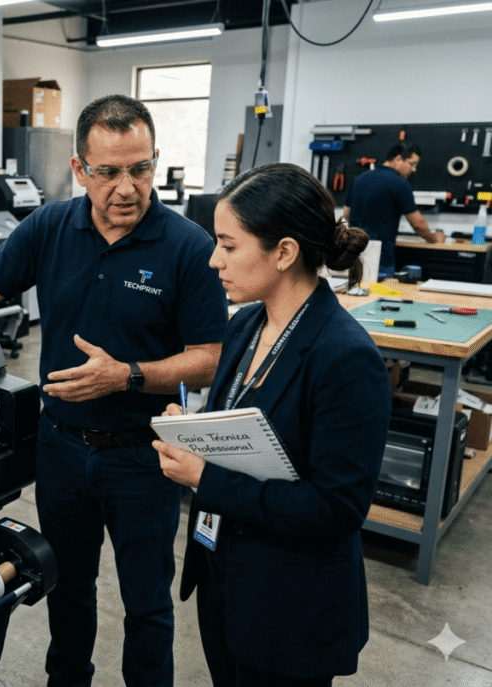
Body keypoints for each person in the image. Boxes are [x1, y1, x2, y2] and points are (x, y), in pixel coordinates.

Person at [0, 94, 228, 687]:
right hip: (61, 449)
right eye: (108, 171)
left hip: (144, 457)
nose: (126, 187)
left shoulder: (189, 247)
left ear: (156, 162)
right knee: (68, 587)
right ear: (79, 169)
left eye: (140, 168)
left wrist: (129, 374)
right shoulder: (49, 226)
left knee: (147, 605)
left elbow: (210, 361)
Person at [153, 162, 392, 687]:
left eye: (229, 246)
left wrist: (203, 477)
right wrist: (196, 430)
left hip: (290, 607)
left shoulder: (345, 359)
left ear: (284, 252)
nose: (214, 260)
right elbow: (252, 422)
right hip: (227, 579)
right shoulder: (245, 325)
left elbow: (337, 507)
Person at [342, 141, 444, 278]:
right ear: (398, 159)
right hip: (381, 258)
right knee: (378, 296)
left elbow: (346, 215)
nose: (414, 169)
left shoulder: (359, 179)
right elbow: (418, 224)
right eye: (412, 164)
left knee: (355, 293)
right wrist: (434, 239)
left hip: (354, 254)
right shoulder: (400, 184)